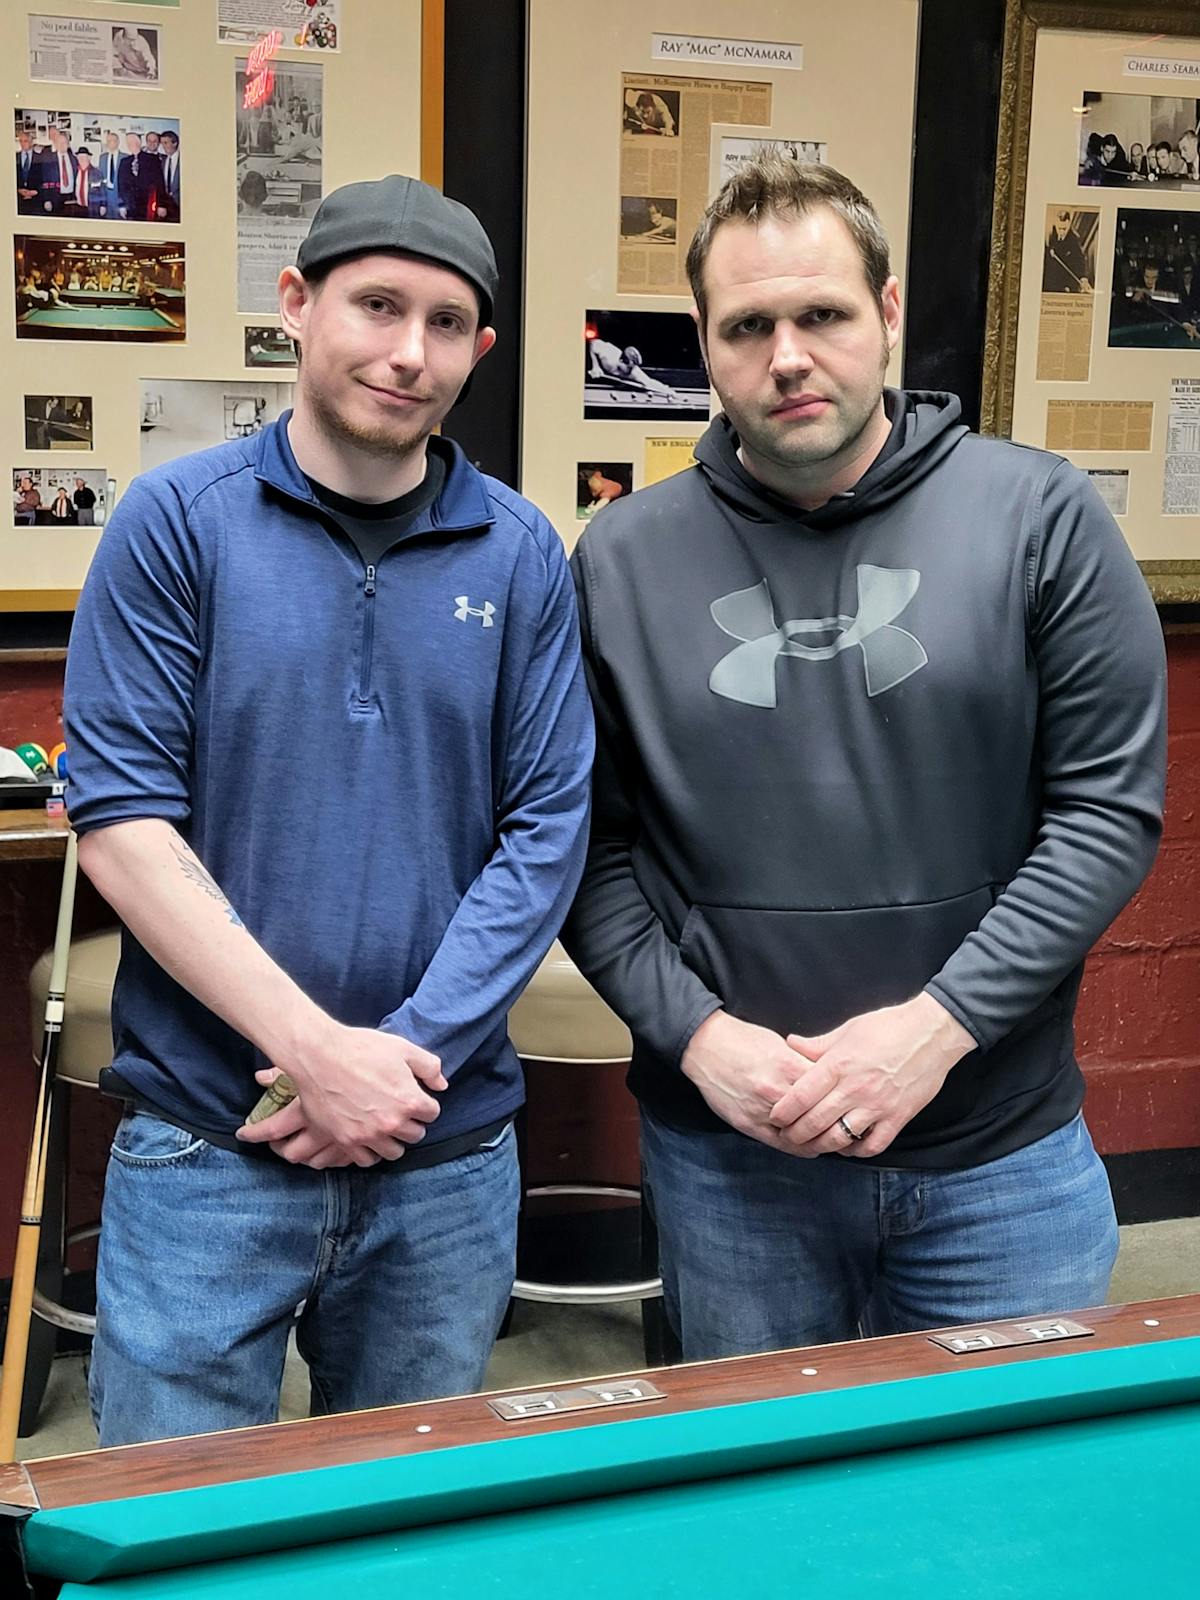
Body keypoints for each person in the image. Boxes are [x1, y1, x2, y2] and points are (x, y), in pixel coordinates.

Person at [561, 154, 1166, 1361]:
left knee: (1013, 1511)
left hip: (998, 1154)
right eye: (747, 326)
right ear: (704, 342)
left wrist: (933, 1030)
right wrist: (701, 1039)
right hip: (733, 1156)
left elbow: (1105, 816)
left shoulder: (1040, 520)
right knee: (763, 1510)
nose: (787, 355)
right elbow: (584, 849)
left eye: (822, 314)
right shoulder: (619, 562)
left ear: (886, 315)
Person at [63, 173, 593, 1449]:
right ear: (297, 306)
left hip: (443, 1147)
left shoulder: (522, 554)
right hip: (210, 1141)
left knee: (402, 1528)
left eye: (447, 323)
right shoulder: (175, 526)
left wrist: (399, 1060)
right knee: (181, 1518)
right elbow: (125, 826)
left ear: (481, 348)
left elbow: (547, 829)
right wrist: (315, 1055)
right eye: (376, 306)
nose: (409, 353)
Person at [587, 336, 676, 399]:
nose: (630, 371)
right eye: (629, 368)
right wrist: (596, 366)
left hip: (612, 381)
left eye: (632, 368)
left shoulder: (634, 372)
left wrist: (668, 391)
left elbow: (649, 382)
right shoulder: (608, 354)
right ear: (621, 361)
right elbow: (593, 342)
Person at [118, 132, 163, 221]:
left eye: (133, 142)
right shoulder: (124, 162)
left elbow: (160, 183)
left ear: (139, 143)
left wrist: (161, 205)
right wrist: (121, 205)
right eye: (128, 143)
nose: (131, 145)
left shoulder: (152, 159)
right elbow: (121, 186)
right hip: (129, 206)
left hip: (147, 205)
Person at [1042, 210, 1090, 292]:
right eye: (1059, 228)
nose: (1061, 232)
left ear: (1069, 224)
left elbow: (1080, 260)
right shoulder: (1048, 236)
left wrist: (1083, 278)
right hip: (1049, 281)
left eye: (1064, 229)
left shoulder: (1074, 239)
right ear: (1055, 224)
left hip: (1065, 283)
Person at [40, 128, 77, 215]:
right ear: (55, 144)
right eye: (59, 143)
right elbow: (45, 180)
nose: (62, 145)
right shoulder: (48, 160)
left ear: (68, 145)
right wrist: (47, 199)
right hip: (55, 197)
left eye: (64, 143)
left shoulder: (74, 159)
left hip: (72, 196)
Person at [15, 130, 42, 214]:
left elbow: (44, 178)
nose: (23, 144)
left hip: (36, 198)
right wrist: (18, 190)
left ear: (31, 142)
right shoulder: (14, 157)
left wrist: (36, 191)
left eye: (25, 141)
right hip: (19, 199)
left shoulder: (40, 158)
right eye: (21, 141)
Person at [159, 130, 181, 221]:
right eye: (162, 143)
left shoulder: (186, 160)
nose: (163, 146)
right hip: (165, 206)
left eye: (166, 143)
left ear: (175, 143)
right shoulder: (162, 161)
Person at [99, 131, 121, 208]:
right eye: (108, 141)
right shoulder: (102, 157)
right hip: (106, 193)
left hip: (119, 194)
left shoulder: (125, 158)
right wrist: (102, 203)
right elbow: (101, 179)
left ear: (118, 142)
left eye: (113, 140)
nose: (110, 143)